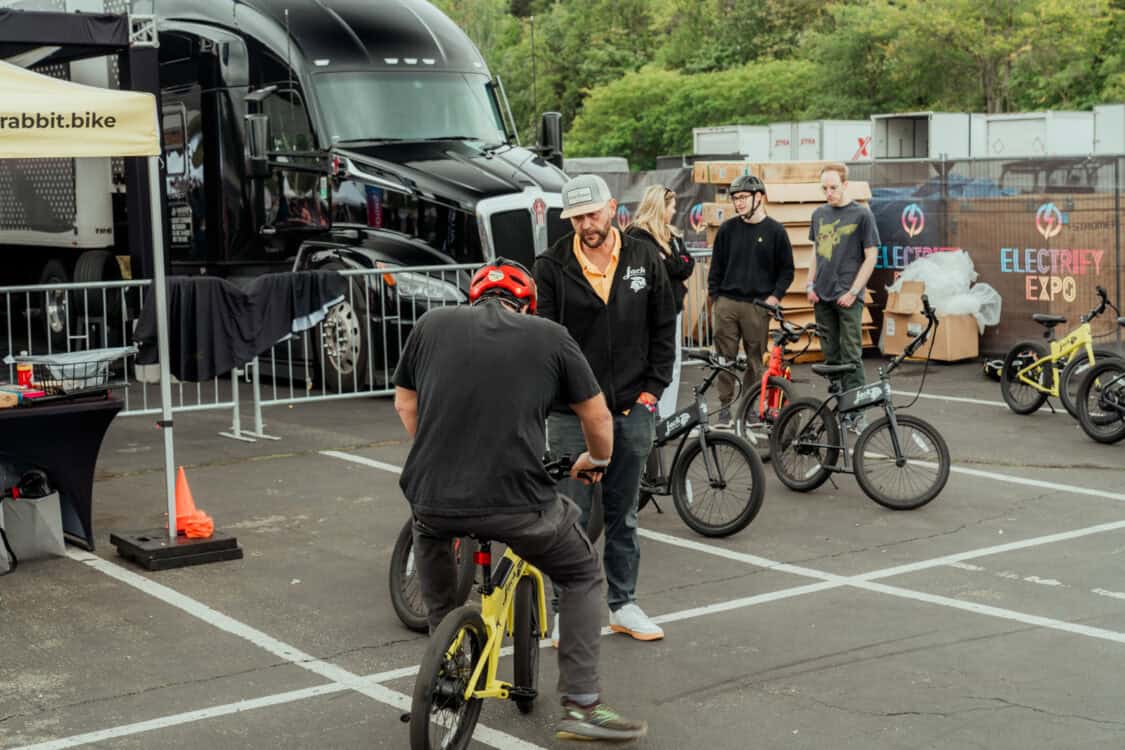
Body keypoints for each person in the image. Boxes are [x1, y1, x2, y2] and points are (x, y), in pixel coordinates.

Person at [393, 259, 647, 741]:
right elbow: (597, 417)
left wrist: (439, 451)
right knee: (580, 572)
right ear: (527, 303)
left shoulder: (429, 326)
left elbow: (406, 403)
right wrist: (596, 460)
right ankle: (582, 703)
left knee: (437, 567)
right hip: (518, 502)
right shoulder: (550, 335)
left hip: (432, 495)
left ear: (472, 297)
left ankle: (446, 663)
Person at [533, 174, 677, 644]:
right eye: (576, 218)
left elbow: (663, 328)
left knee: (623, 513)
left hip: (632, 408)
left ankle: (624, 604)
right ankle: (563, 610)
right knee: (568, 516)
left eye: (592, 214)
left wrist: (652, 391)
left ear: (612, 207)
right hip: (572, 412)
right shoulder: (551, 264)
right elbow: (545, 339)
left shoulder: (643, 257)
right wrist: (569, 398)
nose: (585, 225)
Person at [707, 174, 795, 428]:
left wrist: (774, 297)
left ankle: (750, 408)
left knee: (756, 360)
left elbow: (786, 271)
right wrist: (717, 298)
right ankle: (724, 408)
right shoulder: (727, 229)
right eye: (735, 198)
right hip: (727, 302)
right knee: (725, 358)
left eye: (743, 197)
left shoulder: (776, 231)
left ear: (759, 197)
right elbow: (716, 268)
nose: (739, 203)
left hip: (758, 306)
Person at [807, 162, 880, 431]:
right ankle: (841, 407)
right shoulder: (819, 214)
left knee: (851, 355)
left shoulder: (862, 215)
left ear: (845, 185)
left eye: (834, 187)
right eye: (824, 188)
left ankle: (858, 412)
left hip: (848, 295)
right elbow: (816, 252)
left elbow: (871, 257)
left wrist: (853, 291)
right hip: (823, 296)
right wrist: (808, 285)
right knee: (831, 357)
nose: (829, 193)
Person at [625, 184, 696, 419]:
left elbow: (687, 264)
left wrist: (669, 260)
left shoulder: (672, 234)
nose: (674, 211)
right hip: (646, 310)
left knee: (671, 362)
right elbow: (657, 267)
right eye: (672, 207)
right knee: (650, 360)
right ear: (660, 206)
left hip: (672, 307)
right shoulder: (637, 234)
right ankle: (648, 411)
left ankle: (666, 414)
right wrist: (669, 262)